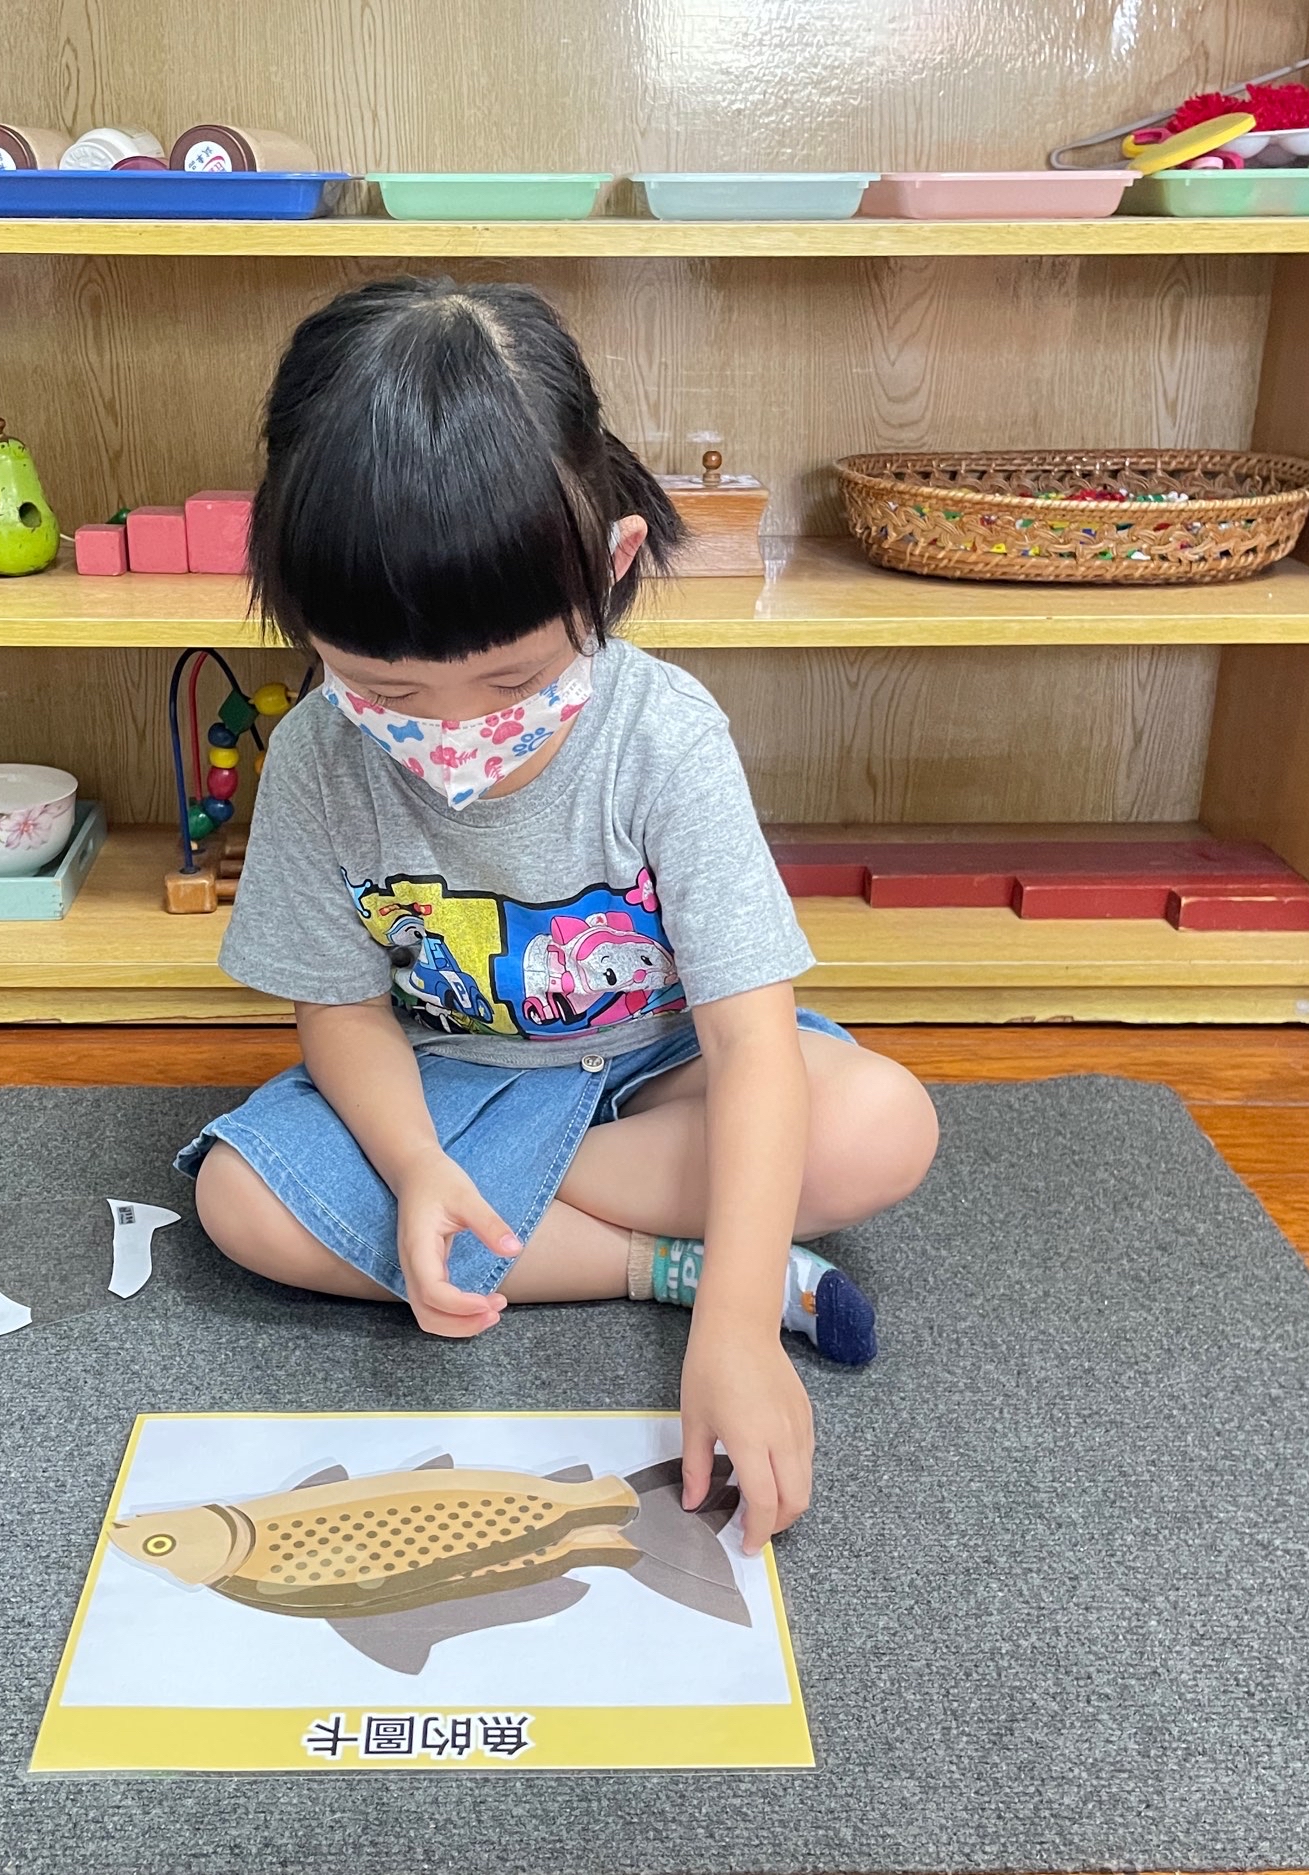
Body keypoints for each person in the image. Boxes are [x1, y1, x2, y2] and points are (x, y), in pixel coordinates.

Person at [178, 278, 937, 1549]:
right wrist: (415, 1167)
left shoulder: (664, 737)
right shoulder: (314, 753)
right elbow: (343, 1013)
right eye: (385, 690)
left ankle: (668, 1259)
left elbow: (751, 1040)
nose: (451, 731)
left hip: (660, 1072)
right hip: (453, 1086)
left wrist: (737, 1336)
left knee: (880, 1127)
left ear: (612, 563)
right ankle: (657, 1263)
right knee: (238, 1205)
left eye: (510, 679)